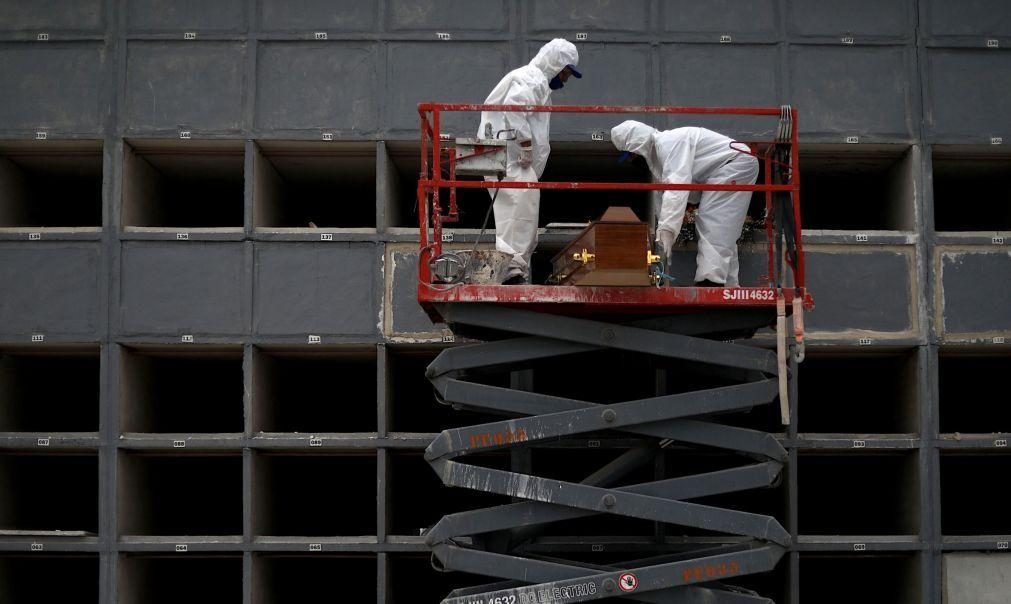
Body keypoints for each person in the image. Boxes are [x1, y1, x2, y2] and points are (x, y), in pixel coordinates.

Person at [478, 39, 581, 285]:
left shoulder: (537, 83)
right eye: (565, 72)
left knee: (519, 212)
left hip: (510, 160)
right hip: (511, 159)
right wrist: (525, 145)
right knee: (518, 212)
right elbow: (514, 108)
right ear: (555, 63)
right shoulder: (531, 79)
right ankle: (512, 269)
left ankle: (514, 268)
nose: (565, 80)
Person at [610, 120, 759, 287]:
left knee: (713, 219)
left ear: (637, 145)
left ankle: (710, 282)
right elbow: (665, 196)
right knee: (725, 228)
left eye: (630, 154)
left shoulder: (669, 144)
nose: (632, 159)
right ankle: (729, 286)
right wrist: (662, 231)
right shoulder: (660, 158)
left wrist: (667, 230)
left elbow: (677, 189)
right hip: (728, 166)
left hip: (734, 164)